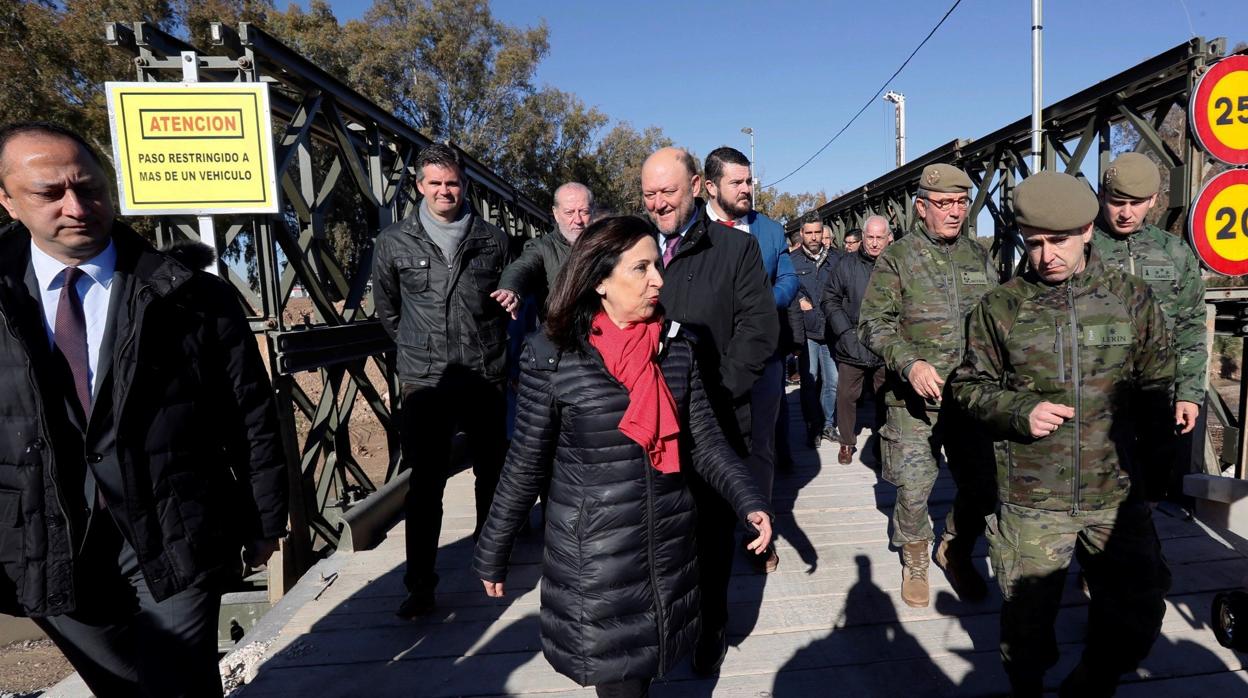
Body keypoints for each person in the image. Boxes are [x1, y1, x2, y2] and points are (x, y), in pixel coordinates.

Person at [0, 121, 287, 696]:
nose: (77, 206)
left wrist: (264, 518)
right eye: (49, 194)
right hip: (42, 538)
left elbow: (250, 414)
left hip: (175, 522)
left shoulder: (189, 295)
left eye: (90, 187)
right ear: (6, 200)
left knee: (179, 684)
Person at [473, 216, 774, 698]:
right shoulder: (551, 357)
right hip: (596, 561)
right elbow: (525, 463)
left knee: (652, 664)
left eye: (657, 265)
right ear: (600, 282)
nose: (658, 279)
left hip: (668, 547)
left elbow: (707, 443)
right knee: (621, 685)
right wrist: (494, 550)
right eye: (641, 268)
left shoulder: (676, 351)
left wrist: (749, 501)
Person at [950, 171, 1174, 697]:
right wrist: (1017, 409)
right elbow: (967, 386)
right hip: (1032, 500)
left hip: (1116, 496)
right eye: (1034, 243)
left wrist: (1159, 475)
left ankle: (1091, 684)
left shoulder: (1132, 299)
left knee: (1137, 615)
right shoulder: (1001, 307)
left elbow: (1158, 387)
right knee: (1025, 632)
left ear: (1088, 230)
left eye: (1059, 240)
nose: (1046, 254)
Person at [640, 146, 776, 674]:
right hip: (649, 425)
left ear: (696, 186)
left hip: (715, 418)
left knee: (713, 536)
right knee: (661, 535)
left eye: (667, 192)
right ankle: (669, 623)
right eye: (649, 194)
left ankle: (712, 627)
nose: (658, 203)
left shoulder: (734, 250)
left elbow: (759, 330)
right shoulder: (633, 246)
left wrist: (712, 393)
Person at [372, 143, 512, 619]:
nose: (444, 191)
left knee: (491, 473)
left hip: (483, 371)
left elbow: (505, 303)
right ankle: (420, 585)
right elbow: (389, 310)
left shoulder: (492, 239)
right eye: (434, 183)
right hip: (426, 380)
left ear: (464, 184)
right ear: (419, 186)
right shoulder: (394, 241)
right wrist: (419, 346)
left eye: (451, 182)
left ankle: (489, 562)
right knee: (425, 485)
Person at [858, 163, 997, 608]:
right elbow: (872, 325)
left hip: (970, 397)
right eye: (943, 204)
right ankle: (914, 553)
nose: (954, 212)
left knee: (980, 484)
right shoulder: (898, 258)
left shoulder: (978, 256)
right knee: (914, 487)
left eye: (961, 202)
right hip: (913, 400)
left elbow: (998, 321)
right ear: (921, 208)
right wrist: (910, 362)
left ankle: (953, 549)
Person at [703, 146, 798, 574]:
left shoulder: (771, 231)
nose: (747, 190)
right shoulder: (689, 232)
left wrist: (759, 302)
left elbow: (789, 279)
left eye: (749, 182)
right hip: (705, 359)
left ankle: (759, 533)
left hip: (763, 359)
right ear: (709, 186)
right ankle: (707, 528)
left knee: (760, 447)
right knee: (707, 444)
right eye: (736, 183)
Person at [1092, 153, 1206, 496]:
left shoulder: (1173, 252)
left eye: (1137, 203)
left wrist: (1189, 393)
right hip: (1096, 393)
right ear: (1102, 196)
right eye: (1117, 202)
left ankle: (1144, 541)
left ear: (1154, 200)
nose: (1126, 213)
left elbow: (1190, 323)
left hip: (1157, 394)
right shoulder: (1080, 248)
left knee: (1154, 481)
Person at [823, 216, 892, 465]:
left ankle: (882, 445)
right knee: (846, 396)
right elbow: (829, 299)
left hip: (885, 344)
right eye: (870, 237)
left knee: (886, 397)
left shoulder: (897, 265)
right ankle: (846, 443)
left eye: (879, 238)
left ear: (889, 239)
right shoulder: (846, 265)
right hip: (852, 341)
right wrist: (844, 332)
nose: (874, 243)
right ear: (863, 237)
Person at [493, 182, 594, 317]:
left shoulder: (605, 245)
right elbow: (522, 266)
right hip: (559, 334)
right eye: (569, 212)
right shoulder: (542, 247)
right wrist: (511, 288)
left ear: (592, 211)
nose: (578, 219)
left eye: (584, 212)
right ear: (556, 214)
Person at [789, 216, 840, 448]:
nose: (813, 237)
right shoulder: (792, 261)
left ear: (823, 233)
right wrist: (798, 298)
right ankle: (813, 425)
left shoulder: (837, 259)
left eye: (817, 233)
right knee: (810, 380)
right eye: (808, 233)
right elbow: (785, 287)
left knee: (833, 381)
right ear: (802, 233)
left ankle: (828, 423)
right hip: (808, 330)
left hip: (830, 330)